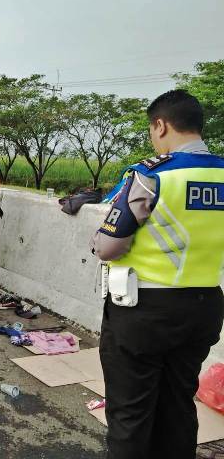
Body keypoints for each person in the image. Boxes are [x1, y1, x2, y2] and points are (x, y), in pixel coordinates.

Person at [90, 90, 224, 459]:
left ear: (161, 125)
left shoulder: (151, 175)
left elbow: (109, 246)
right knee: (179, 403)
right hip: (205, 307)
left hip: (144, 311)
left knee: (131, 411)